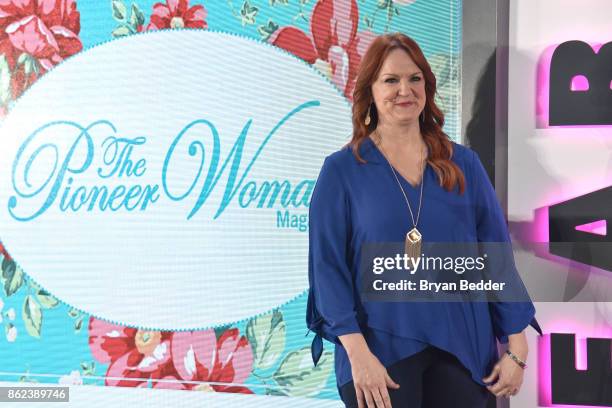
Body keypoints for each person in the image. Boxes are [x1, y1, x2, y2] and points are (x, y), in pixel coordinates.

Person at [306, 33, 541, 408]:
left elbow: (494, 257)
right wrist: (357, 353)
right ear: (370, 90)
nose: (405, 90)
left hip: (464, 349)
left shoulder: (464, 164)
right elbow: (327, 269)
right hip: (379, 354)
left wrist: (517, 342)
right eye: (391, 80)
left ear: (427, 87)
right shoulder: (341, 172)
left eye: (415, 78)